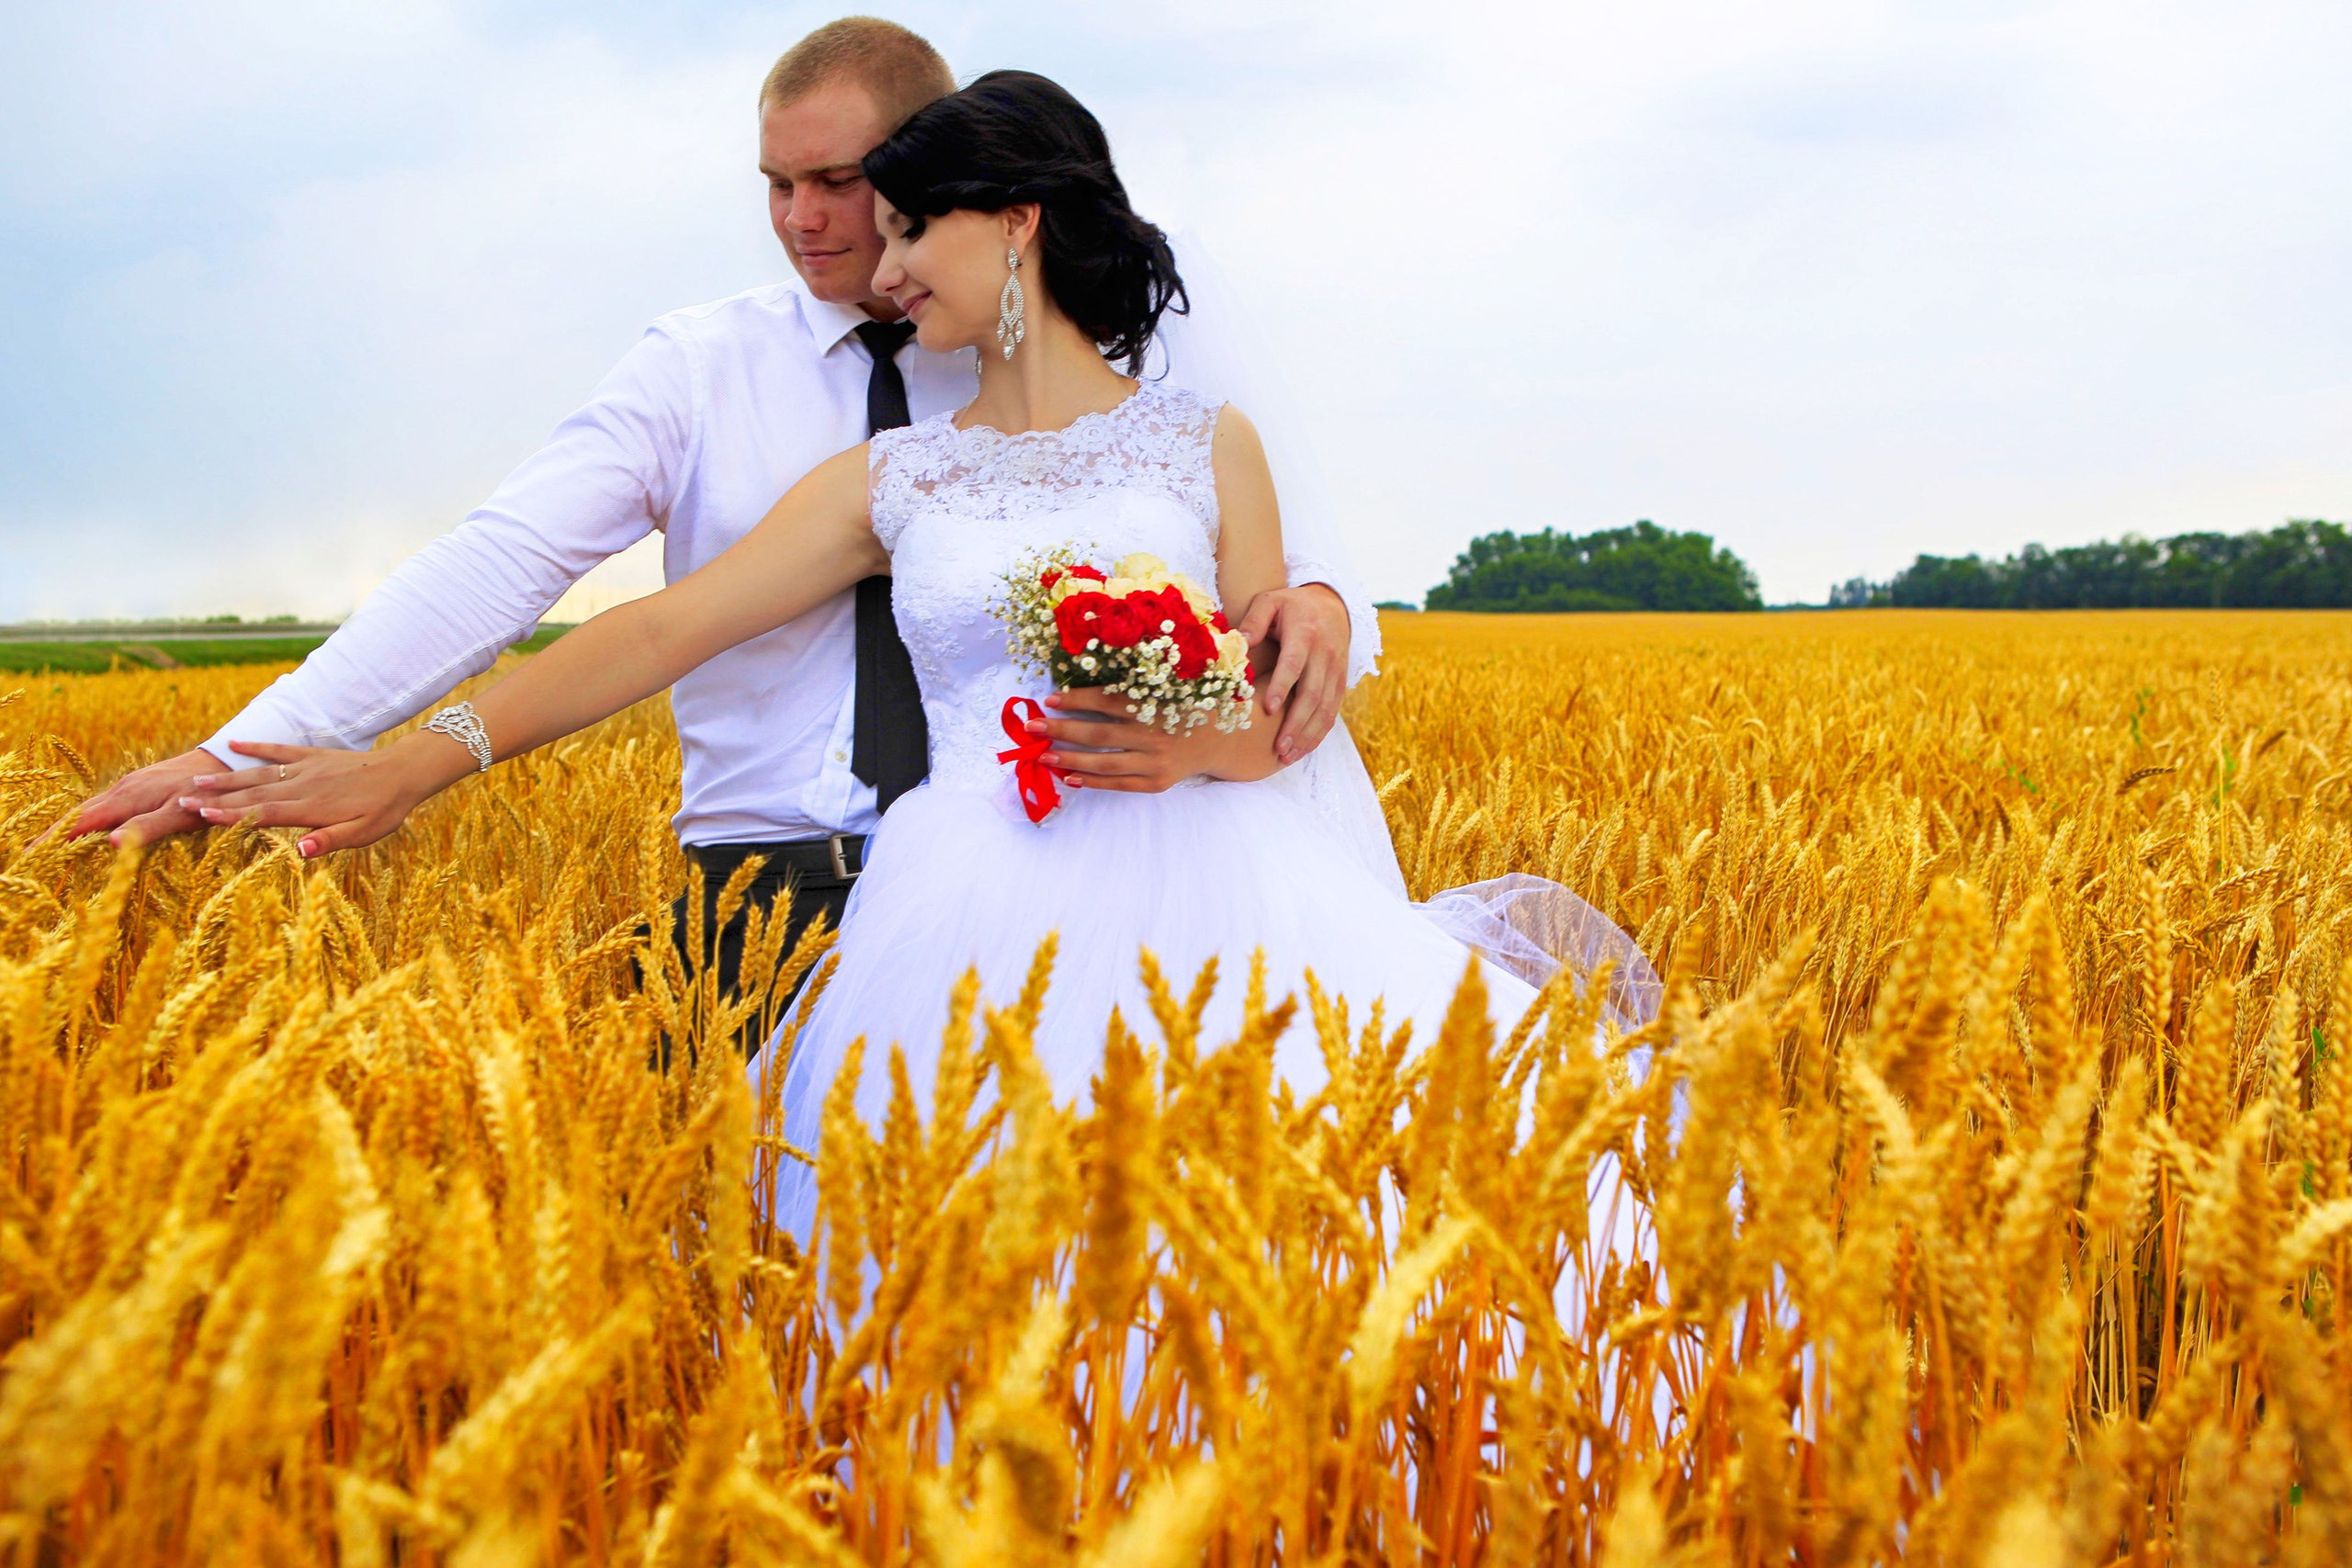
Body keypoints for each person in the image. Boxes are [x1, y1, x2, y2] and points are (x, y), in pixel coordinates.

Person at [175, 70, 1659, 1240]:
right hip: (967, 916)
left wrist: (1192, 741)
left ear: (1013, 219)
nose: (878, 269)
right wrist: (413, 764)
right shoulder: (901, 479)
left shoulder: (1207, 444)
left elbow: (1284, 703)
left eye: (903, 229)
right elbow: (659, 625)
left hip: (1228, 912)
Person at [62, 17, 1378, 1017]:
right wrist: (303, 751)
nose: (815, 226)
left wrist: (1315, 609)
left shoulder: (1173, 424)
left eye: (857, 189)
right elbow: (568, 595)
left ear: (975, 190)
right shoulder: (757, 400)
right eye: (775, 184)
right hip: (802, 889)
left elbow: (1259, 634)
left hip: (1150, 890)